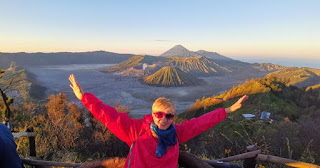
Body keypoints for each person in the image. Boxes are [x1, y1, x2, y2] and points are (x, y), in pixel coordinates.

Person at [69, 74, 248, 168]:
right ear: (152, 114)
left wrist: (228, 110)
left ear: (173, 117)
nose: (163, 119)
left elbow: (200, 123)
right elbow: (108, 115)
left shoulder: (177, 133)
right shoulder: (136, 130)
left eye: (169, 115)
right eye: (159, 114)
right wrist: (83, 97)